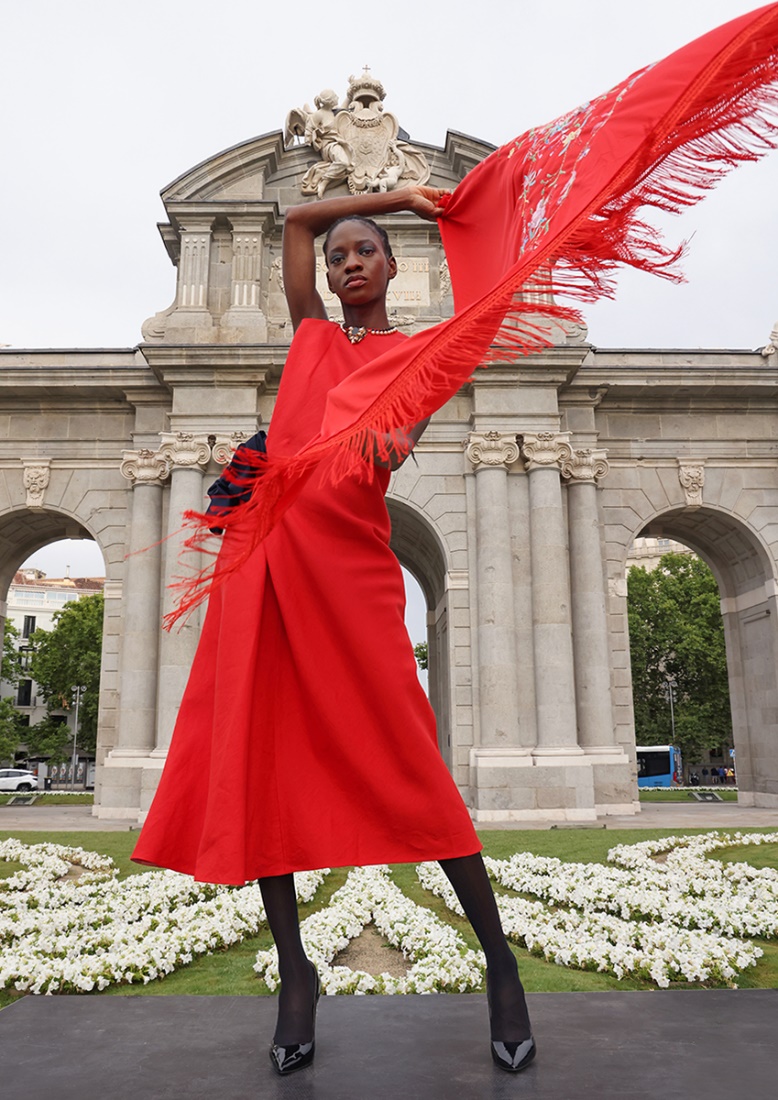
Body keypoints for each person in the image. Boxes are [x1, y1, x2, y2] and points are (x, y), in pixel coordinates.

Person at [132, 184, 535, 1077]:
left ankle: (502, 969)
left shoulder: (421, 353)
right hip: (268, 554)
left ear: (395, 268)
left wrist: (383, 438)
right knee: (263, 759)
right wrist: (399, 193)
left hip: (349, 565)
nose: (349, 261)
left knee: (409, 760)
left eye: (368, 251)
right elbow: (296, 221)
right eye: (340, 254)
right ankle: (295, 977)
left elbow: (396, 445)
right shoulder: (310, 335)